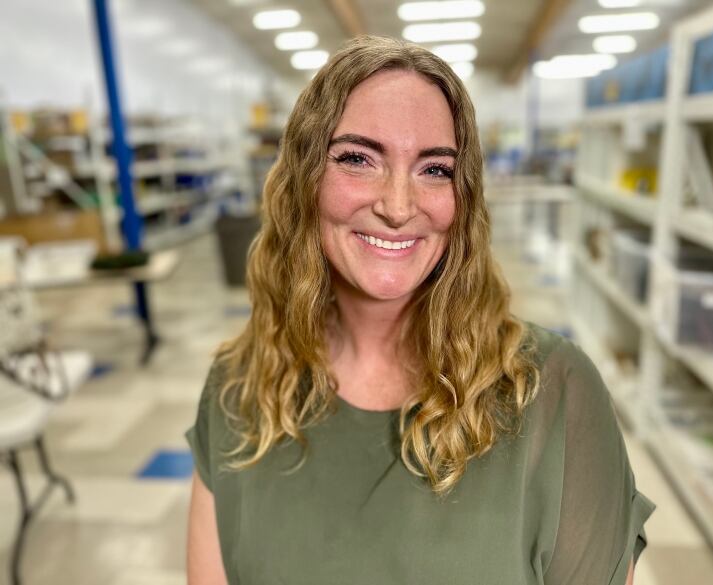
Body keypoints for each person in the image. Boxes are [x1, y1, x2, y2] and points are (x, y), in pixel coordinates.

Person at [186, 35, 655, 585]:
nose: (398, 206)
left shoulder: (552, 392)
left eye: (434, 169)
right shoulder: (239, 390)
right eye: (357, 159)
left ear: (465, 197)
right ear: (303, 181)